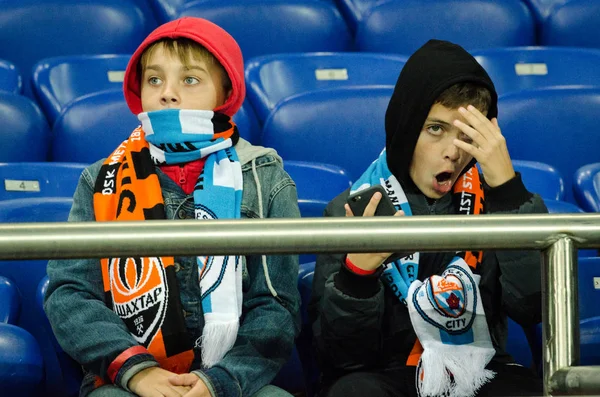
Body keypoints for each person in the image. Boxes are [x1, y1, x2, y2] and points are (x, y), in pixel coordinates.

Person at [44, 17, 301, 397]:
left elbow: (276, 305)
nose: (168, 93)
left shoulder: (265, 178)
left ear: (225, 92)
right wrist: (136, 371)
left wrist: (221, 381)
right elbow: (69, 293)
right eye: (154, 80)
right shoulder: (100, 179)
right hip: (125, 383)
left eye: (190, 79)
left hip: (234, 380)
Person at [309, 39, 547, 397]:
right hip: (386, 374)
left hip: (478, 372)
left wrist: (509, 192)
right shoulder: (353, 208)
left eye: (467, 135)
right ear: (406, 128)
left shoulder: (503, 204)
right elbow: (341, 358)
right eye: (435, 129)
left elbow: (532, 308)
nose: (453, 152)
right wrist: (356, 277)